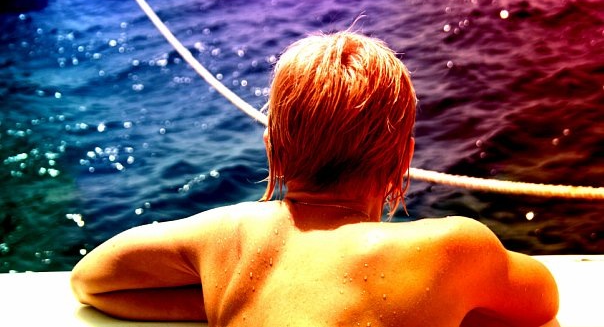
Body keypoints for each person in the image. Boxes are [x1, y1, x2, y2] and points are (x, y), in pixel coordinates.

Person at [70, 31, 559, 327]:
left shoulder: (227, 235)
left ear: (273, 148)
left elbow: (93, 281)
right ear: (404, 158)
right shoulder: (453, 250)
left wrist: (222, 300)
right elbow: (541, 303)